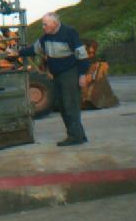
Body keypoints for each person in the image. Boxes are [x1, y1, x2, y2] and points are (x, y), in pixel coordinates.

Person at [18, 12, 89, 146]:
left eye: (45, 24)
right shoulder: (46, 38)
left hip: (70, 73)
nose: (43, 27)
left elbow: (81, 54)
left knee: (70, 105)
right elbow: (34, 49)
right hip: (57, 75)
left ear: (55, 24)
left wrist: (82, 74)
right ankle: (79, 135)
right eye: (43, 24)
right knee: (62, 105)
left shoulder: (69, 32)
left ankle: (75, 137)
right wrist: (17, 53)